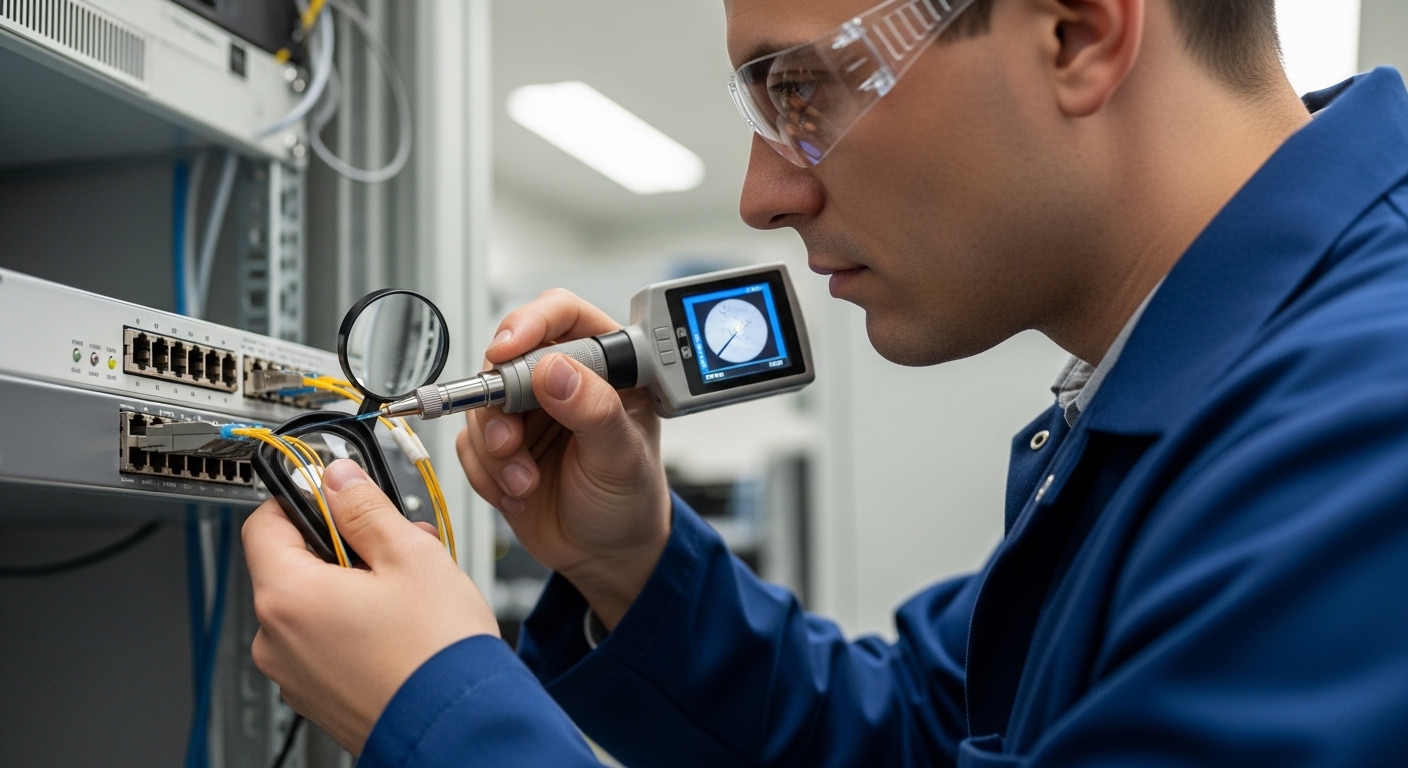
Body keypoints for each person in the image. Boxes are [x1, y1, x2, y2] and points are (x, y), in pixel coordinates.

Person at [242, 0, 1408, 764]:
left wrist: (442, 716)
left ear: (1075, 30)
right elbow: (912, 734)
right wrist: (633, 563)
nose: (764, 194)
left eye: (799, 93)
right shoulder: (1189, 403)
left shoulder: (1368, 421)